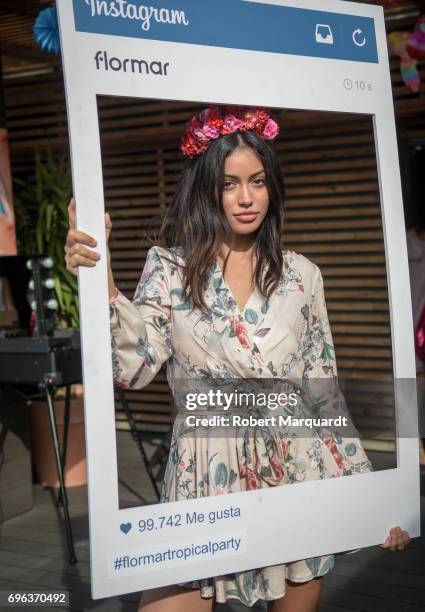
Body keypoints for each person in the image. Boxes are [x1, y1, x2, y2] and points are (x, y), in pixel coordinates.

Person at [65, 106, 410, 612]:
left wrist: (371, 502)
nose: (246, 198)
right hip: (204, 472)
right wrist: (101, 278)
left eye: (257, 181)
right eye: (229, 184)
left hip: (294, 469)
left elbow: (322, 389)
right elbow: (132, 365)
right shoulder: (172, 270)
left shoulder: (302, 276)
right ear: (207, 189)